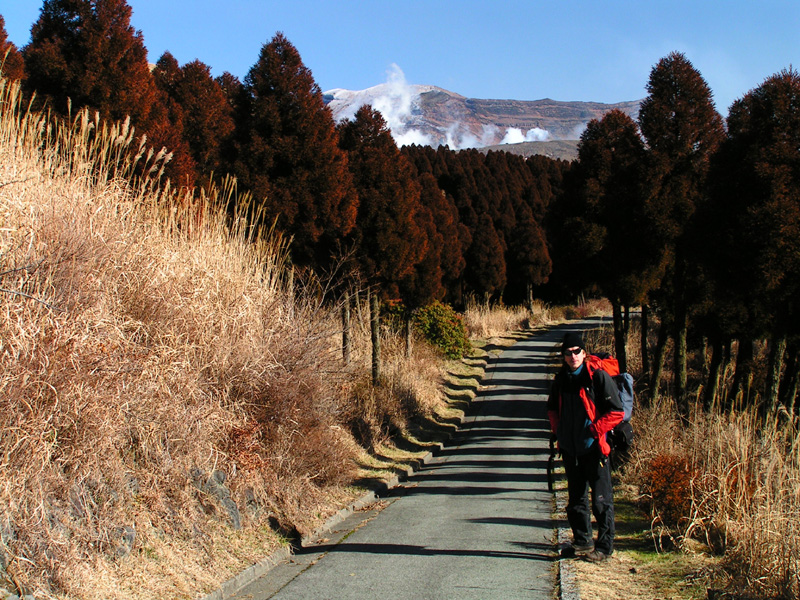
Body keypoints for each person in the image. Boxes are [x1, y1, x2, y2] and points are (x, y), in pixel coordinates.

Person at [547, 332, 624, 563]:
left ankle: (604, 547)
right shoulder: (560, 379)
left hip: (595, 449)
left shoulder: (598, 377)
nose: (573, 357)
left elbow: (616, 412)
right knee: (576, 500)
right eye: (568, 353)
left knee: (601, 500)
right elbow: (552, 409)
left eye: (577, 351)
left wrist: (594, 431)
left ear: (584, 352)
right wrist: (558, 431)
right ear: (563, 356)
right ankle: (582, 542)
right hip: (571, 450)